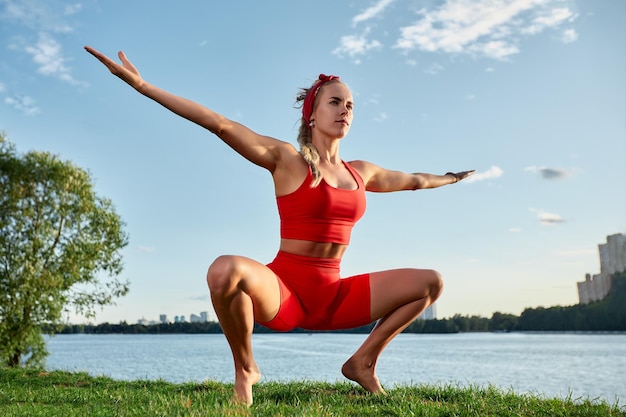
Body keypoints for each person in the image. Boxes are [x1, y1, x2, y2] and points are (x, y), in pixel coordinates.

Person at [85, 46, 475, 406]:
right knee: (224, 270)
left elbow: (413, 180)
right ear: (312, 112)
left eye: (351, 105)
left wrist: (451, 178)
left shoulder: (361, 173)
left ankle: (362, 363)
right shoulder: (288, 160)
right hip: (285, 293)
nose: (345, 110)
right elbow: (219, 124)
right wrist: (143, 86)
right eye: (335, 102)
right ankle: (246, 369)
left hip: (335, 295)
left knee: (431, 282)